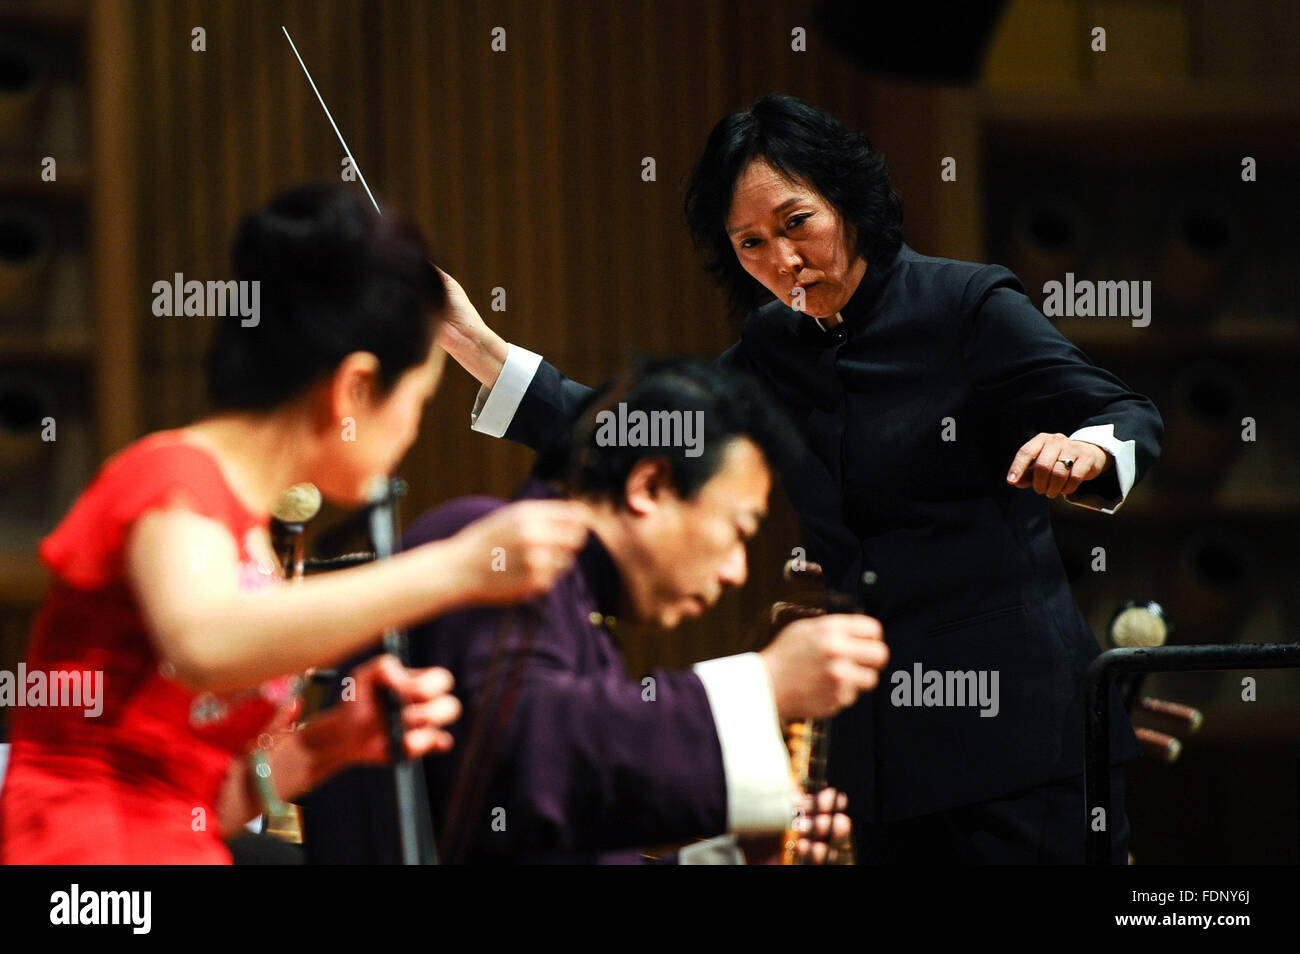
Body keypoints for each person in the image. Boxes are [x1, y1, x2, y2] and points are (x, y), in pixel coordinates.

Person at [434, 95, 1163, 863]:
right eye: (751, 242)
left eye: (796, 224)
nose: (781, 261)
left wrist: (1090, 451)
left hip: (1020, 737)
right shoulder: (773, 344)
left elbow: (1121, 409)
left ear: (847, 202)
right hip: (878, 748)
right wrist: (474, 343)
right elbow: (634, 436)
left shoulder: (967, 304)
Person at [0, 182, 589, 864]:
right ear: (355, 389)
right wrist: (456, 566)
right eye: (418, 401)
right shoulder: (170, 477)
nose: (411, 432)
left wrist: (328, 743)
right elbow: (204, 641)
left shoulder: (247, 535)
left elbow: (192, 799)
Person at [303, 359, 885, 864]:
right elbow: (520, 761)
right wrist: (765, 687)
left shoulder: (572, 602)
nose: (737, 571)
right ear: (650, 486)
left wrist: (734, 858)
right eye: (738, 531)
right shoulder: (488, 544)